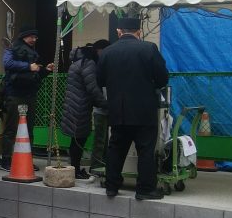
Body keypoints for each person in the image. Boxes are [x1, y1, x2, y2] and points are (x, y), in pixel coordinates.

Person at [97, 16, 169, 200]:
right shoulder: (149, 49)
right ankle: (145, 189)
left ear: (119, 32)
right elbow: (162, 79)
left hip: (118, 110)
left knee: (116, 148)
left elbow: (100, 80)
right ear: (139, 32)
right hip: (144, 110)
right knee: (145, 149)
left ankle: (111, 186)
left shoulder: (107, 52)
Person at [0, 27, 54, 171]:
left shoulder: (32, 54)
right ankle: (6, 159)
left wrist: (45, 70)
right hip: (14, 94)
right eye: (32, 37)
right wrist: (29, 66)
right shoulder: (11, 50)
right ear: (24, 37)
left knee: (28, 130)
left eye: (35, 37)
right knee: (12, 129)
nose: (34, 39)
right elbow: (7, 64)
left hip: (29, 94)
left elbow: (36, 75)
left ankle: (26, 158)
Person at [59, 40, 108, 180]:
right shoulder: (88, 63)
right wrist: (105, 104)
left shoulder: (78, 61)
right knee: (79, 139)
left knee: (77, 139)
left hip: (74, 104)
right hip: (79, 106)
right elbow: (92, 88)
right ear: (98, 51)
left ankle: (74, 168)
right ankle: (75, 170)